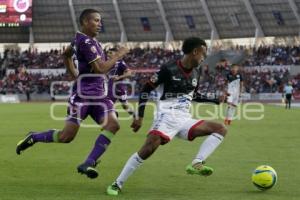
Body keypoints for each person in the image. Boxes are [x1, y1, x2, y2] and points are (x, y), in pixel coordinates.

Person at [16, 8, 129, 179]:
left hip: (101, 97)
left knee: (113, 125)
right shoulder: (86, 42)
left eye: (100, 21)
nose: (100, 24)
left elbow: (66, 54)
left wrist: (74, 74)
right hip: (82, 97)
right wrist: (118, 55)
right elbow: (100, 69)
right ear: (85, 22)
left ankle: (88, 163)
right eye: (96, 20)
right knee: (66, 137)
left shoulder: (83, 40)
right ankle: (34, 137)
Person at [106, 37, 227, 196]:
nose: (204, 58)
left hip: (184, 119)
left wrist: (214, 100)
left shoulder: (196, 72)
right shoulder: (168, 69)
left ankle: (197, 163)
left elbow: (193, 95)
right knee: (147, 150)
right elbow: (145, 90)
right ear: (195, 52)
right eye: (203, 54)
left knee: (220, 128)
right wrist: (140, 116)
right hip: (165, 117)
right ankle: (117, 183)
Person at [106, 48, 135, 116]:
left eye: (110, 52)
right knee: (109, 106)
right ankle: (113, 122)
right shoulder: (107, 63)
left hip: (120, 87)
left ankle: (135, 116)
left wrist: (119, 77)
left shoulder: (120, 62)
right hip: (111, 87)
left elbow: (129, 73)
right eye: (108, 53)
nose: (108, 54)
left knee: (125, 107)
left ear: (116, 54)